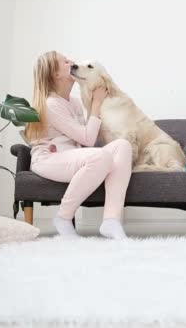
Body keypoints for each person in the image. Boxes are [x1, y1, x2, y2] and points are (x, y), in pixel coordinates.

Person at [24, 51, 132, 239]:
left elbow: (87, 136)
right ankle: (63, 217)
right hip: (49, 159)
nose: (72, 62)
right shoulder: (51, 104)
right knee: (101, 156)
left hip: (71, 155)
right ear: (55, 74)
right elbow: (88, 140)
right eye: (65, 61)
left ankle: (111, 220)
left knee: (122, 145)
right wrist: (96, 103)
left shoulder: (73, 102)